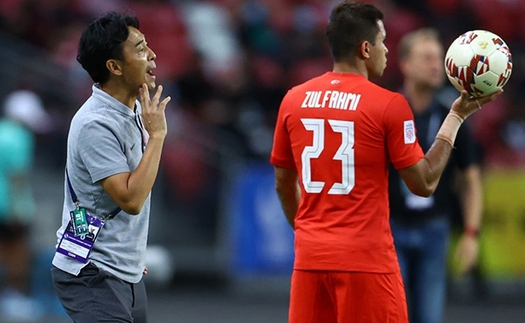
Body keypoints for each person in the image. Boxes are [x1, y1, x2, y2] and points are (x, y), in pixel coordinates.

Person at [270, 1, 501, 322]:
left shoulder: (293, 99)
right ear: (365, 48)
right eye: (382, 42)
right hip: (366, 261)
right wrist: (456, 116)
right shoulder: (388, 104)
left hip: (310, 258)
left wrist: (309, 234)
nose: (387, 51)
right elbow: (425, 183)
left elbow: (283, 182)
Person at [50, 11, 171, 323]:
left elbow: (91, 204)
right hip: (92, 273)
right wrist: (157, 135)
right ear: (115, 67)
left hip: (125, 270)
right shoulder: (95, 124)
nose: (153, 55)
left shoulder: (132, 109)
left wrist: (129, 254)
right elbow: (130, 200)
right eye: (141, 48)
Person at [388, 28, 482, 323]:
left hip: (434, 228)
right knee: (393, 315)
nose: (435, 65)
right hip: (389, 229)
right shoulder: (386, 112)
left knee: (429, 317)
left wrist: (470, 233)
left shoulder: (453, 114)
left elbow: (471, 180)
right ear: (404, 64)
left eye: (438, 58)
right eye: (427, 58)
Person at [0, 88, 50, 321]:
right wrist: (19, 209)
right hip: (10, 207)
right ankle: (13, 299)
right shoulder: (20, 136)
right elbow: (16, 176)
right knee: (19, 254)